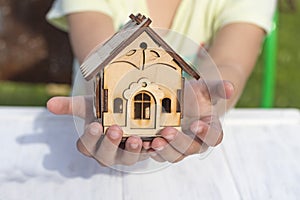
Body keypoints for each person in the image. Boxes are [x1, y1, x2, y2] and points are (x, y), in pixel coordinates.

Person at [46, 0, 277, 166]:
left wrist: (204, 101)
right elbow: (98, 59)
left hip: (200, 165)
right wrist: (104, 108)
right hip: (81, 143)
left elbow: (229, 63)